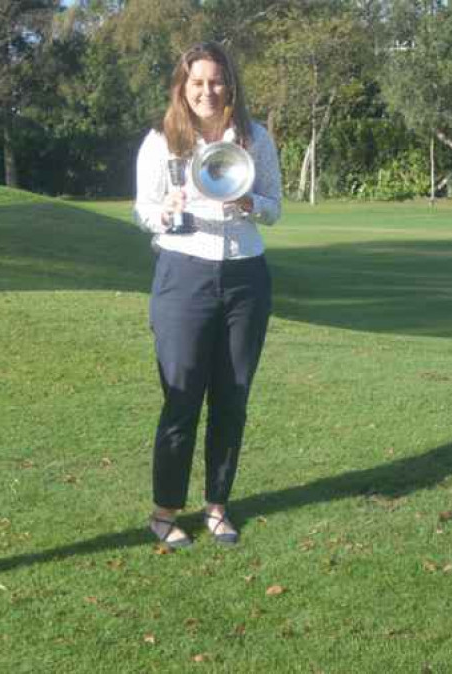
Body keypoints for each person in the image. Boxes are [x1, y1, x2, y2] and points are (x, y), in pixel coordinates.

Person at [133, 42, 282, 550]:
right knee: (181, 398)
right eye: (197, 82)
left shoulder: (254, 137)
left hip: (245, 275)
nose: (207, 91)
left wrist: (249, 201)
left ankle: (217, 505)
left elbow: (275, 207)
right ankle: (164, 511)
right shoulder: (163, 140)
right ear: (182, 86)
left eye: (216, 81)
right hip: (183, 275)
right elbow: (143, 210)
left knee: (232, 399)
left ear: (230, 84)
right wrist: (167, 209)